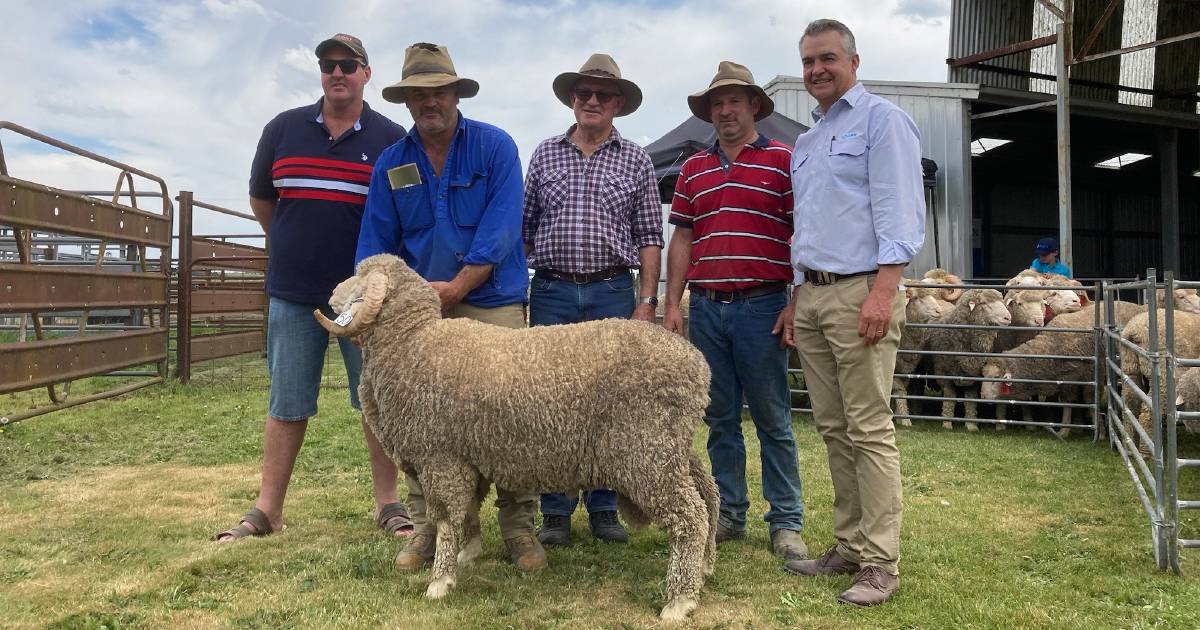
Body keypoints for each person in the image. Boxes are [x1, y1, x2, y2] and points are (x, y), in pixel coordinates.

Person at [355, 42, 546, 572]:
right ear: (407, 101)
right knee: (419, 424)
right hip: (418, 317)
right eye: (418, 93)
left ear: (455, 93)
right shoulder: (393, 164)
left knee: (511, 413)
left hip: (491, 301)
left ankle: (518, 528)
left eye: (438, 90)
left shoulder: (494, 147)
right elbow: (376, 246)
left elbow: (504, 225)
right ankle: (430, 528)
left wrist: (457, 287)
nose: (429, 101)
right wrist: (369, 305)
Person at [217, 34, 411, 542]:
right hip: (293, 291)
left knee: (375, 403)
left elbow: (404, 211)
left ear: (367, 73)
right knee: (287, 402)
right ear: (321, 72)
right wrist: (289, 242)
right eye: (328, 65)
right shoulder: (282, 129)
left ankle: (389, 505)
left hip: (364, 301)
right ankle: (267, 511)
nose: (337, 72)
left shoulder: (393, 139)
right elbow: (263, 201)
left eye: (348, 64)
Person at [778, 19, 926, 606]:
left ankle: (881, 564)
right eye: (810, 60)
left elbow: (899, 209)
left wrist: (885, 291)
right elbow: (807, 228)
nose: (818, 69)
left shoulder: (883, 122)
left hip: (862, 289)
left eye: (828, 59)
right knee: (834, 428)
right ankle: (848, 543)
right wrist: (796, 297)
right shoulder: (808, 142)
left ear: (853, 62)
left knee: (869, 428)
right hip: (813, 294)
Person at [662, 61, 807, 561]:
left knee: (773, 417)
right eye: (717, 104)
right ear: (710, 113)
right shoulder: (693, 169)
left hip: (762, 304)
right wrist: (671, 305)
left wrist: (796, 299)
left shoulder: (784, 161)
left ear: (753, 108)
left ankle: (786, 521)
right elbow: (682, 236)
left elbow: (802, 234)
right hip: (705, 307)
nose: (725, 111)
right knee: (720, 418)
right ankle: (728, 512)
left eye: (734, 102)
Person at [523, 53, 663, 548]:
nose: (592, 101)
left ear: (618, 103)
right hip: (553, 289)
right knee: (549, 402)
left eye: (603, 94)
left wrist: (646, 301)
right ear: (572, 98)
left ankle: (605, 507)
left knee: (611, 403)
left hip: (611, 289)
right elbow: (525, 230)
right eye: (584, 92)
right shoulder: (544, 154)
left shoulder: (637, 159)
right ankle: (555, 511)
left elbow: (650, 235)